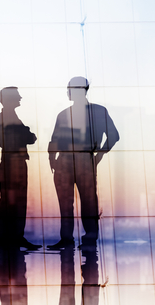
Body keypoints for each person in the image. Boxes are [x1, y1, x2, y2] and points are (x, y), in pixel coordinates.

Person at [47, 77, 119, 249]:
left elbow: (113, 136)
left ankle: (77, 239)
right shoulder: (71, 113)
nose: (67, 92)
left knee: (82, 202)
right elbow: (55, 139)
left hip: (74, 159)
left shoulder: (94, 112)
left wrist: (98, 156)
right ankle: (81, 239)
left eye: (69, 89)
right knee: (78, 202)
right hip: (72, 160)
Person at [0, 87, 38, 249]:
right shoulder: (5, 118)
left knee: (15, 201)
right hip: (12, 164)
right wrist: (25, 133)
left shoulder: (9, 118)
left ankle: (15, 236)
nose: (20, 98)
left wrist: (25, 133)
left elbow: (30, 137)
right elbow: (29, 137)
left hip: (14, 163)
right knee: (12, 202)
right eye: (17, 96)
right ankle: (12, 237)